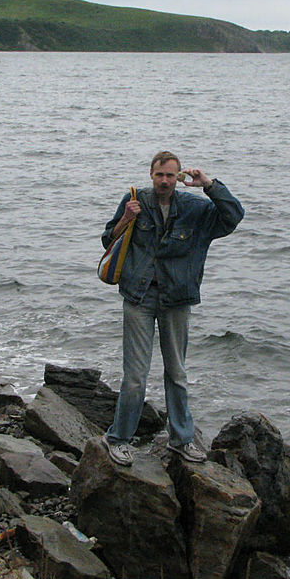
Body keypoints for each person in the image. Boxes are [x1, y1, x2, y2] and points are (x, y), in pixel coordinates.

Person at [101, 151, 244, 465]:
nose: (164, 181)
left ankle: (181, 439)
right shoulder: (134, 200)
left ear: (178, 178)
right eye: (158, 175)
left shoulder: (195, 209)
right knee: (135, 377)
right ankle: (118, 439)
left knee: (177, 373)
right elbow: (106, 240)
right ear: (151, 175)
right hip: (138, 297)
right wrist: (126, 218)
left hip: (176, 299)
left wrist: (209, 184)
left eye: (170, 175)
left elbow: (233, 216)